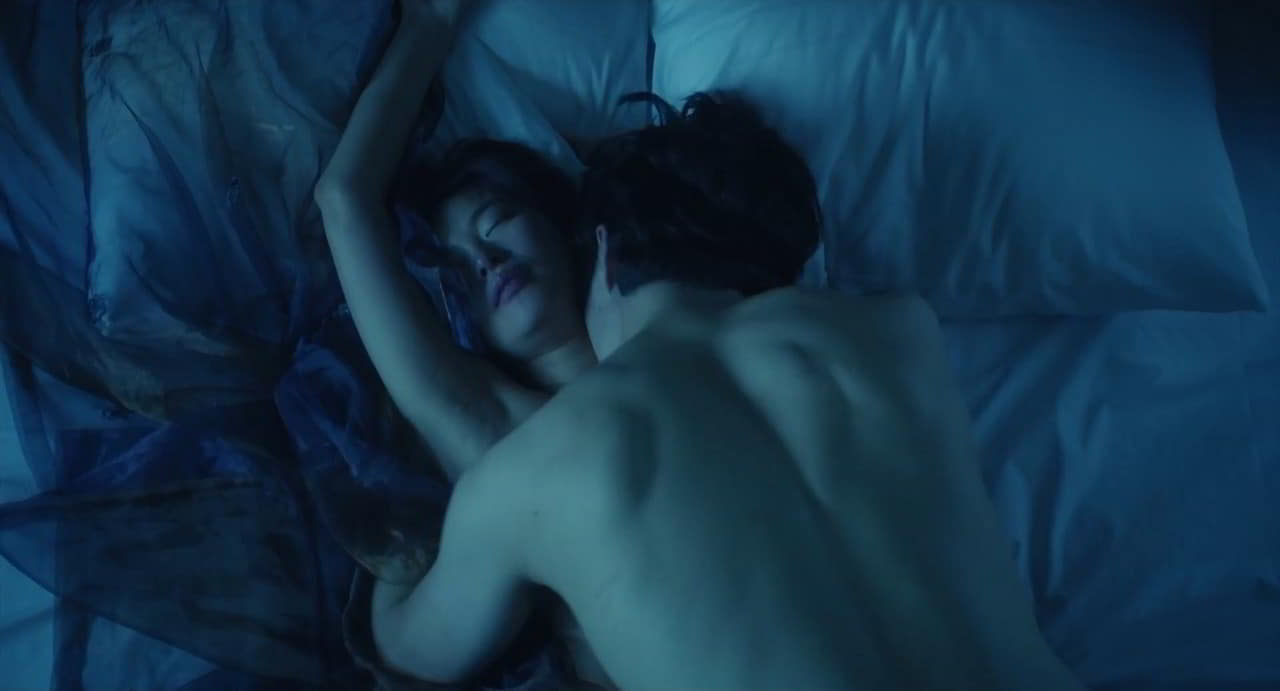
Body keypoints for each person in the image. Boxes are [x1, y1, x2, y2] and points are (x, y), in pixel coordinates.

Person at [355, 38, 1087, 691]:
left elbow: (411, 650)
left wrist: (401, 489)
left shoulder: (528, 474)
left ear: (600, 251)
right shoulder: (898, 332)